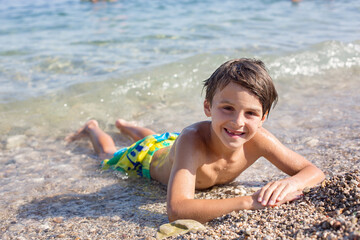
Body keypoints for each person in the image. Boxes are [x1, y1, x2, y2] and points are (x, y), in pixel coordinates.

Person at [66, 58, 325, 223]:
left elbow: (313, 172)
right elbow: (177, 210)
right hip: (144, 158)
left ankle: (125, 124)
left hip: (169, 145)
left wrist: (290, 183)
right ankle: (92, 128)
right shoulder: (192, 140)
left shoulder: (260, 140)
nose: (238, 122)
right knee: (107, 156)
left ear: (263, 117)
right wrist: (249, 202)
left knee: (156, 139)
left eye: (250, 113)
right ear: (207, 108)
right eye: (227, 108)